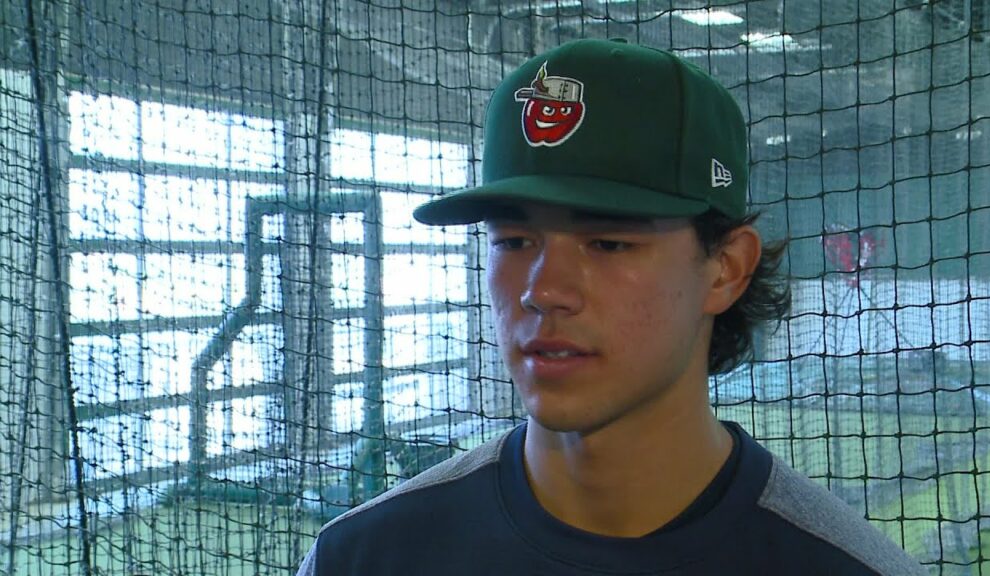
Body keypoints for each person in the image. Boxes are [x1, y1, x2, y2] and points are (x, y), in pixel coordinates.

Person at [297, 38, 925, 575]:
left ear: (726, 269)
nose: (543, 290)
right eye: (514, 240)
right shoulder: (361, 557)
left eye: (607, 241)